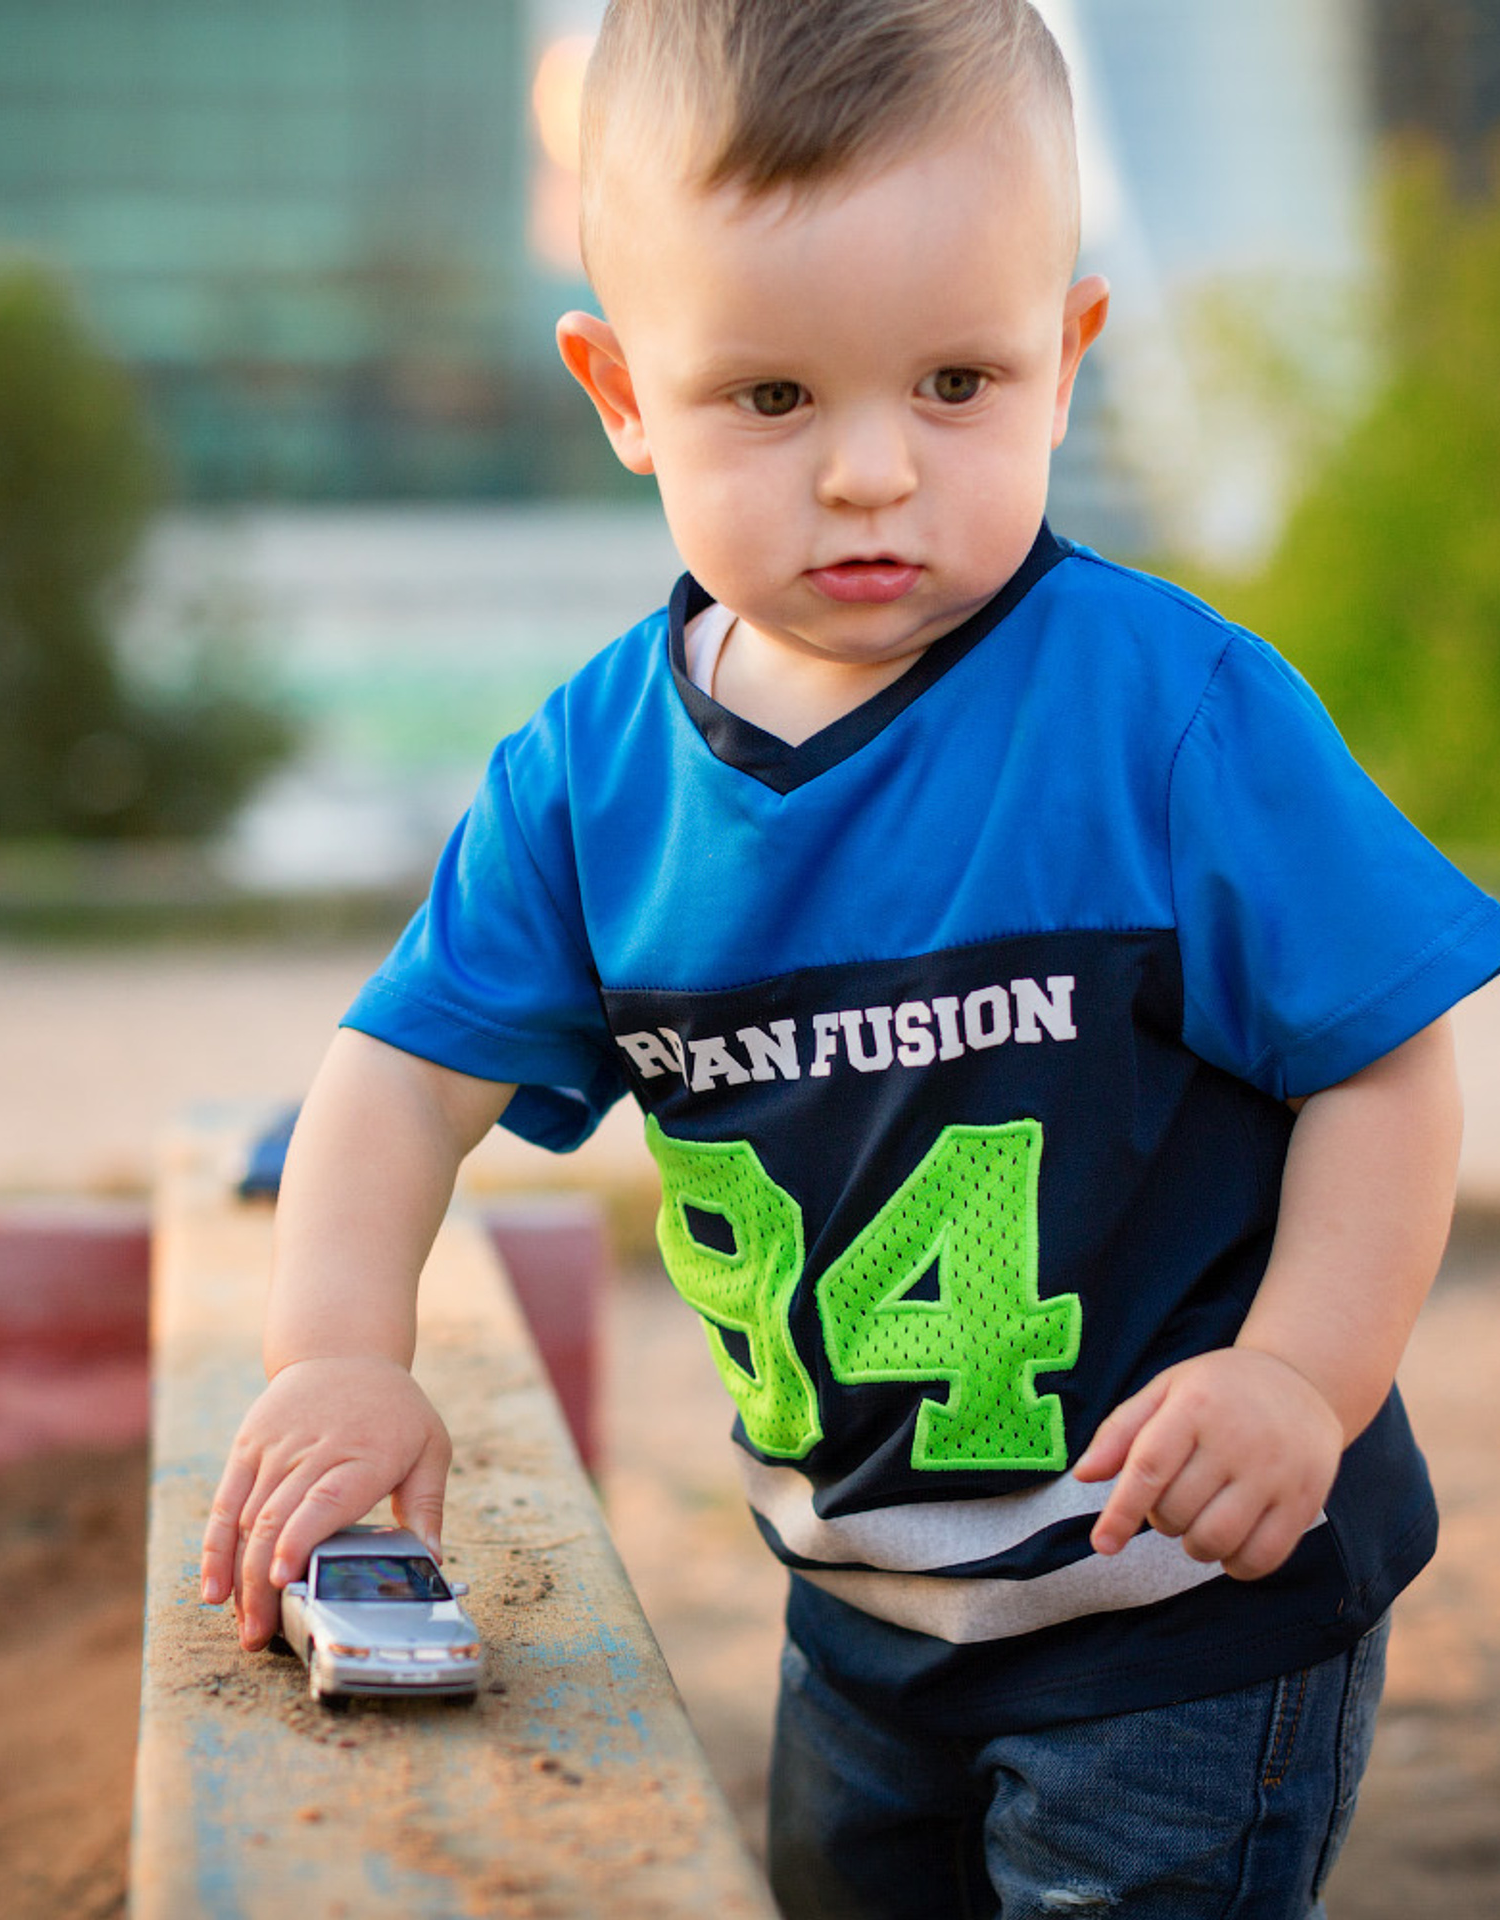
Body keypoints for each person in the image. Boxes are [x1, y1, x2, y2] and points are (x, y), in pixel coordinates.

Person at [202, 2, 1500, 1911]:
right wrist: (337, 1354)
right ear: (623, 390)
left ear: (1066, 359)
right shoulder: (596, 781)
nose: (875, 470)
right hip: (860, 1605)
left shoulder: (1170, 716)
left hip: (1183, 1603)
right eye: (772, 398)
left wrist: (1301, 1377)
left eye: (958, 383)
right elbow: (398, 1081)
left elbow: (1382, 1067)